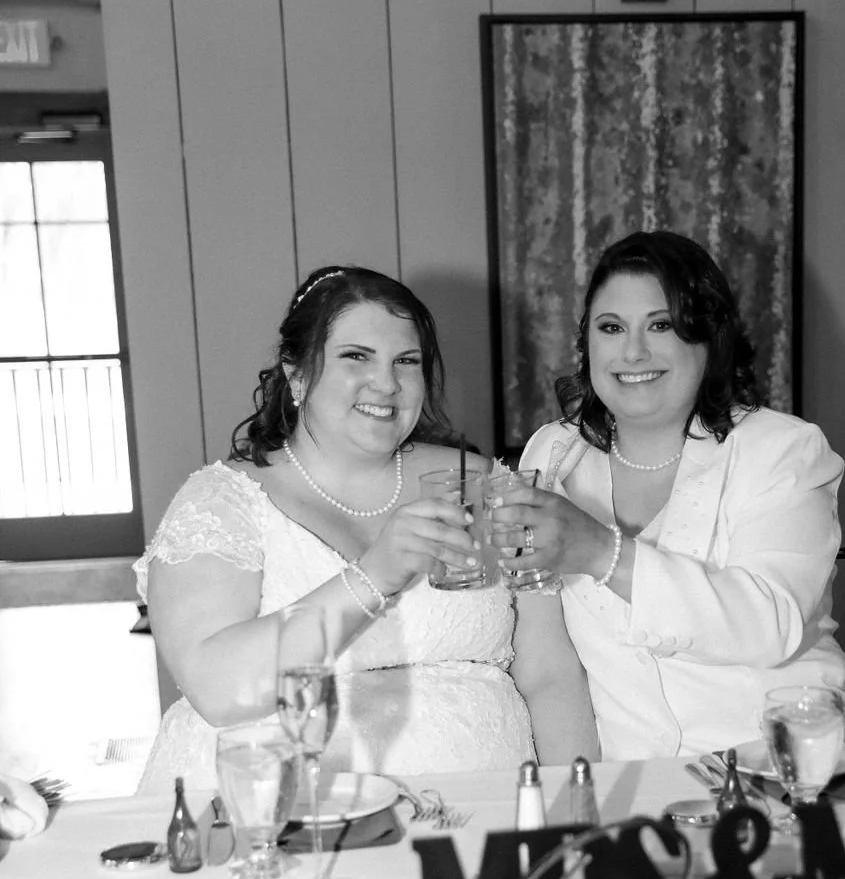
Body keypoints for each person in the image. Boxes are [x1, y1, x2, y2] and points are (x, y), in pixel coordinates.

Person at [135, 265, 597, 792]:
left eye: (407, 361)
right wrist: (376, 573)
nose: (386, 383)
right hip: (280, 816)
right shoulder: (223, 502)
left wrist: (575, 809)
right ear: (297, 374)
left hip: (479, 807)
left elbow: (548, 673)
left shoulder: (480, 481)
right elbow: (217, 690)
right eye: (356, 357)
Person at [504, 230, 845, 760]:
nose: (632, 350)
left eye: (661, 325)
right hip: (637, 786)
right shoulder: (552, 454)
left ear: (709, 338)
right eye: (611, 327)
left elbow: (771, 622)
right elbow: (548, 661)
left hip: (795, 770)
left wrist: (601, 551)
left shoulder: (782, 450)